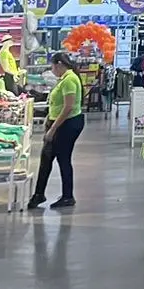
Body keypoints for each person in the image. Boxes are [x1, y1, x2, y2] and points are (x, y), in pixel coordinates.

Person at [28, 52, 85, 210]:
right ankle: (40, 194)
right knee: (47, 158)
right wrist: (49, 118)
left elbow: (68, 107)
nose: (52, 70)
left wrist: (53, 129)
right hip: (60, 123)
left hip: (67, 125)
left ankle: (67, 196)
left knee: (62, 159)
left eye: (52, 67)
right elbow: (59, 104)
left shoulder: (69, 80)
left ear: (59, 64)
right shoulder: (65, 79)